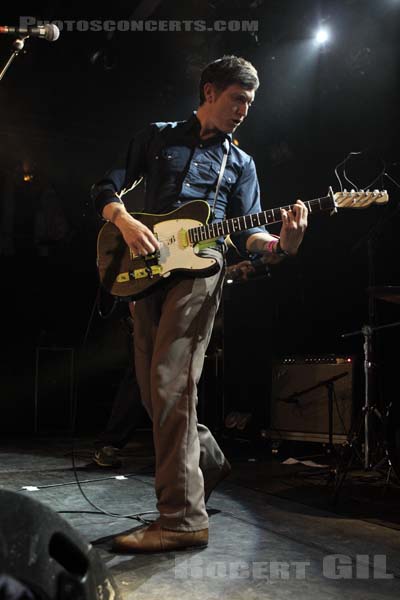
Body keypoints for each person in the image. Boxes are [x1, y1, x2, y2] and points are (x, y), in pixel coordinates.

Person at [91, 55, 308, 552]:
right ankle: (207, 458)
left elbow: (251, 230)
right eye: (237, 99)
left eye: (250, 104)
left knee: (170, 385)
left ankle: (182, 520)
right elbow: (106, 185)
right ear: (209, 92)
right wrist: (122, 220)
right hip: (145, 275)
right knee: (155, 395)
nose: (244, 111)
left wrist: (281, 246)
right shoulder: (157, 136)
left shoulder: (242, 164)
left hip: (202, 275)